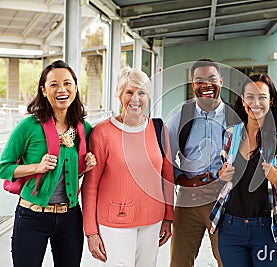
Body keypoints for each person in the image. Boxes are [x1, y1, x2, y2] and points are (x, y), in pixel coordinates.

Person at [0, 60, 96, 267]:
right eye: (54, 85)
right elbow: (3, 166)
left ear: (75, 87)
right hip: (31, 216)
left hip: (70, 217)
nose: (62, 89)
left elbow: (71, 174)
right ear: (44, 91)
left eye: (67, 83)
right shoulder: (28, 126)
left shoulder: (84, 129)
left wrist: (85, 166)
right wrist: (37, 167)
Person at [81, 66, 174, 267]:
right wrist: (90, 231)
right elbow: (90, 186)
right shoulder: (102, 133)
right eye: (129, 92)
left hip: (153, 219)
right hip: (115, 222)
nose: (135, 98)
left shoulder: (158, 129)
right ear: (119, 94)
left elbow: (167, 175)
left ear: (148, 96)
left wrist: (168, 216)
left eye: (141, 93)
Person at [209, 74, 277, 266]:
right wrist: (220, 175)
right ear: (243, 101)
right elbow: (217, 175)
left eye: (262, 97)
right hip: (230, 228)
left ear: (271, 100)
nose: (256, 103)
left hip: (267, 229)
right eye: (250, 97)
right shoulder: (230, 135)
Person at [167, 58, 239, 267]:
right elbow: (165, 159)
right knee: (179, 262)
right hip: (188, 200)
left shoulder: (234, 117)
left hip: (225, 201)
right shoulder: (180, 115)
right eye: (199, 81)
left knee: (228, 261)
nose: (206, 85)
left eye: (211, 79)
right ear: (193, 86)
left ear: (221, 82)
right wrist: (189, 182)